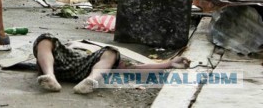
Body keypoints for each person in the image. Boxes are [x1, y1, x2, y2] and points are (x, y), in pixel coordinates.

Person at [34, 33, 190, 94]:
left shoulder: (102, 51)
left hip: (90, 67)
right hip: (59, 63)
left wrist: (169, 64)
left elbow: (132, 68)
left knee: (112, 51)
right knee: (44, 38)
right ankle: (50, 76)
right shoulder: (67, 45)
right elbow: (45, 51)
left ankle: (91, 81)